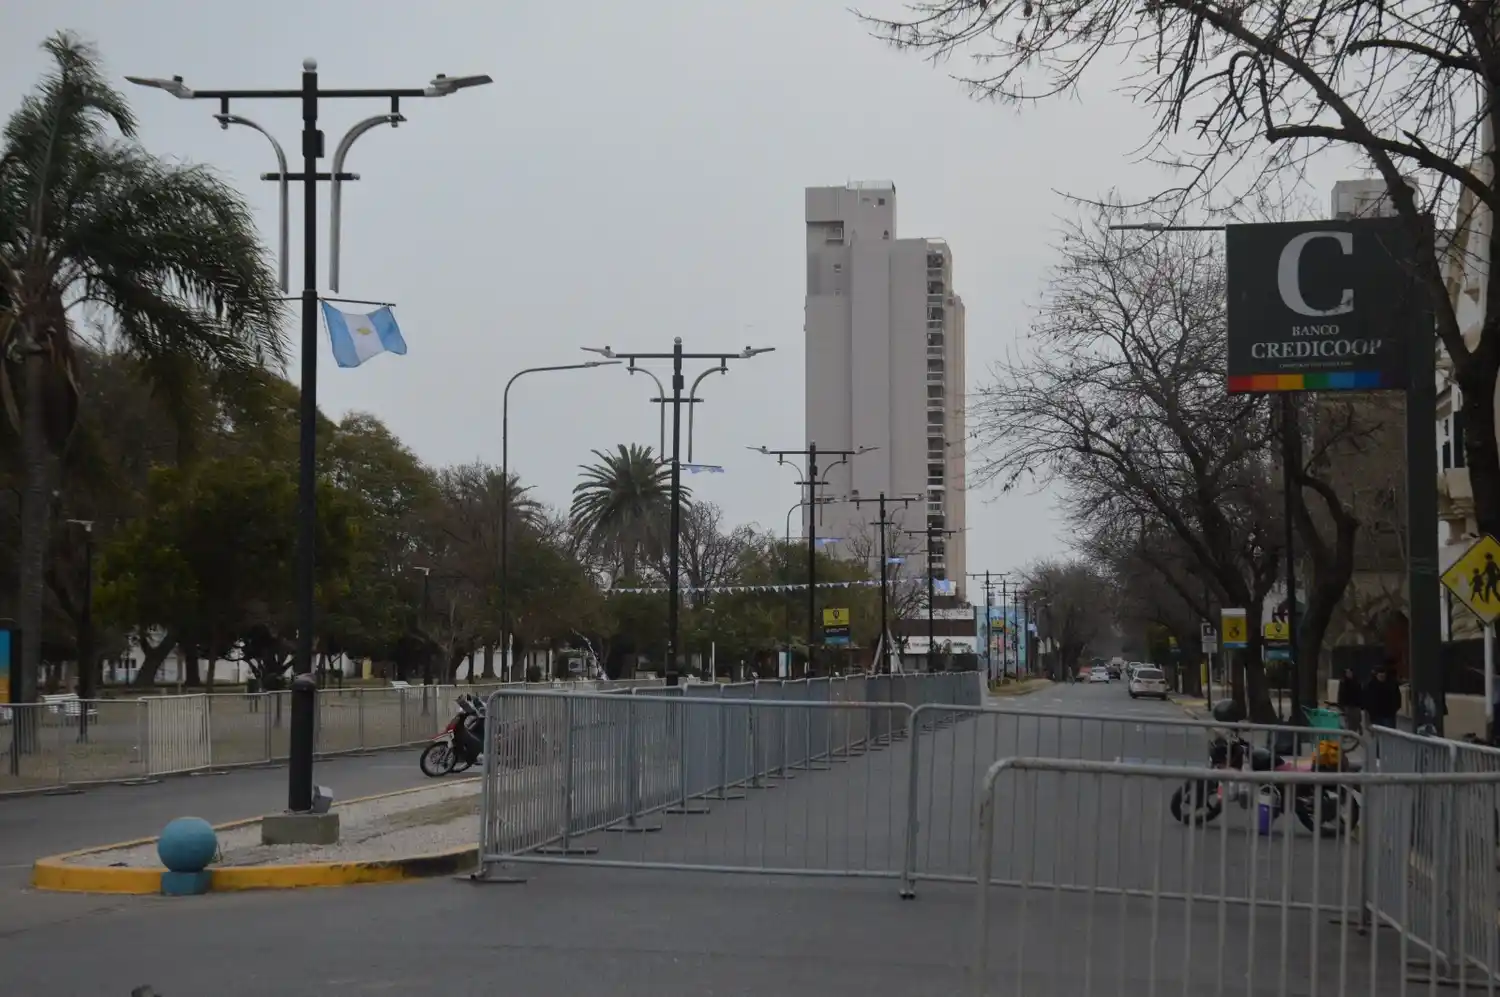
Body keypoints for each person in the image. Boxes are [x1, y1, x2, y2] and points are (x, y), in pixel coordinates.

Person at [1366, 666, 1403, 730]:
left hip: (1388, 714)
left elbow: (1397, 696)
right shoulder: (1371, 685)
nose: (1382, 678)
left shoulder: (1392, 684)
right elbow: (1367, 699)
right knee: (1378, 733)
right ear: (1376, 676)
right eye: (1380, 676)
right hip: (1376, 714)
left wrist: (1395, 708)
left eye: (1383, 676)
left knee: (1389, 732)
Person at [1336, 665, 1363, 730]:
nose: (1348, 674)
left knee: (1356, 721)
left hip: (1356, 705)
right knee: (1348, 722)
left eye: (1350, 672)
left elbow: (1360, 693)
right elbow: (1341, 694)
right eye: (1347, 673)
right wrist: (1341, 705)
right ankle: (1350, 735)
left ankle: (1356, 731)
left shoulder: (1356, 682)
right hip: (1347, 705)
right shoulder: (1343, 683)